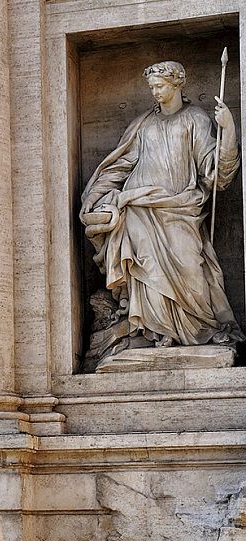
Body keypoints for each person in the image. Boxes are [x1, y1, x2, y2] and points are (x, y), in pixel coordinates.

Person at [81, 60, 244, 355]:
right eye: (152, 87)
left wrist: (229, 130)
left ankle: (196, 326)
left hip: (180, 208)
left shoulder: (195, 119)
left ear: (177, 84)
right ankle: (157, 330)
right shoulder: (143, 124)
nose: (155, 92)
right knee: (144, 267)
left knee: (191, 271)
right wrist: (95, 195)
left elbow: (216, 172)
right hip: (139, 207)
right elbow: (119, 166)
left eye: (160, 86)